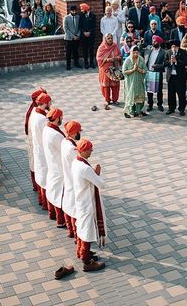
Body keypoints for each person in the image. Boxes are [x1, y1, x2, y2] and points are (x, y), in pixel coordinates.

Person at [71, 138, 107, 272]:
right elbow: (101, 184)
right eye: (90, 150)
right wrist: (97, 173)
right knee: (86, 230)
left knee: (81, 227)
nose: (91, 152)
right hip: (87, 203)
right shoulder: (85, 168)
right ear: (84, 151)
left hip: (80, 200)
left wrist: (93, 173)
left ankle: (81, 252)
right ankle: (86, 260)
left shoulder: (76, 162)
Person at [43, 107, 67, 226]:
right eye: (61, 117)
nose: (62, 118)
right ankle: (61, 220)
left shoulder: (47, 129)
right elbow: (65, 150)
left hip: (52, 164)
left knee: (54, 193)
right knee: (60, 195)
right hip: (59, 167)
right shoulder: (56, 135)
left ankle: (53, 215)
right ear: (57, 118)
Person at [29, 93, 51, 210]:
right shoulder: (42, 119)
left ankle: (42, 201)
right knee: (46, 179)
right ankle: (46, 203)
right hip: (43, 151)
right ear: (46, 103)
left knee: (42, 178)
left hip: (38, 149)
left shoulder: (35, 113)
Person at [61, 120, 81, 239]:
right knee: (75, 210)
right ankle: (75, 233)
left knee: (69, 206)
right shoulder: (72, 149)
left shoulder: (64, 142)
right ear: (74, 132)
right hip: (73, 180)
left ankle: (70, 230)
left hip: (67, 177)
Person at [96, 34, 122, 108]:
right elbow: (98, 58)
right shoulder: (101, 47)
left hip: (114, 68)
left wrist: (118, 58)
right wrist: (107, 59)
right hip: (105, 69)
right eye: (108, 38)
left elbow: (120, 55)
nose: (110, 39)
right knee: (106, 86)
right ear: (105, 39)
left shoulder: (115, 46)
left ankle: (115, 99)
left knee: (115, 84)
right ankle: (107, 100)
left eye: (111, 38)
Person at [165, 39, 187, 116]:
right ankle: (171, 108)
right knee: (171, 93)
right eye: (172, 46)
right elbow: (165, 63)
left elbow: (185, 62)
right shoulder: (168, 52)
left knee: (181, 94)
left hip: (180, 76)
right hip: (171, 76)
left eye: (175, 46)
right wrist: (171, 62)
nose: (173, 48)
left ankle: (181, 109)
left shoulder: (183, 52)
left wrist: (176, 61)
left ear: (178, 47)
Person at [122, 46, 147, 118]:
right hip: (130, 82)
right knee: (131, 96)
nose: (135, 54)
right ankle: (131, 111)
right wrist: (133, 69)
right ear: (131, 52)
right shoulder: (127, 60)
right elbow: (124, 72)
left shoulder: (141, 59)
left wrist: (138, 69)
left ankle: (139, 111)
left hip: (139, 81)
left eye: (137, 53)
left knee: (139, 96)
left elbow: (145, 70)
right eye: (134, 53)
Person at [144, 36, 166, 112]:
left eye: (155, 42)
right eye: (153, 41)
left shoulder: (163, 52)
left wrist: (158, 66)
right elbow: (142, 53)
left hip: (158, 72)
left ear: (159, 43)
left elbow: (165, 63)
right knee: (149, 90)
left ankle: (159, 104)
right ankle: (150, 104)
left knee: (159, 90)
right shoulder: (149, 49)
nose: (153, 43)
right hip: (149, 72)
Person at [79, 3, 96, 69]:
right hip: (83, 36)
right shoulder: (81, 16)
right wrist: (84, 32)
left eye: (83, 10)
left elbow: (94, 26)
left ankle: (91, 62)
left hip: (91, 35)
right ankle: (86, 63)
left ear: (86, 9)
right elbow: (80, 26)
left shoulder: (93, 16)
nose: (81, 11)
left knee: (91, 49)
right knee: (85, 50)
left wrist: (89, 32)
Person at [63, 5, 81, 70]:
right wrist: (72, 36)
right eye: (73, 11)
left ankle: (77, 63)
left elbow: (80, 27)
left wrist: (77, 35)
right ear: (70, 11)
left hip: (76, 38)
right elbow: (65, 28)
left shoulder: (78, 17)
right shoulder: (66, 18)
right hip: (69, 38)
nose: (74, 12)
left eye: (75, 10)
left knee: (76, 51)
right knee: (69, 52)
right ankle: (68, 65)